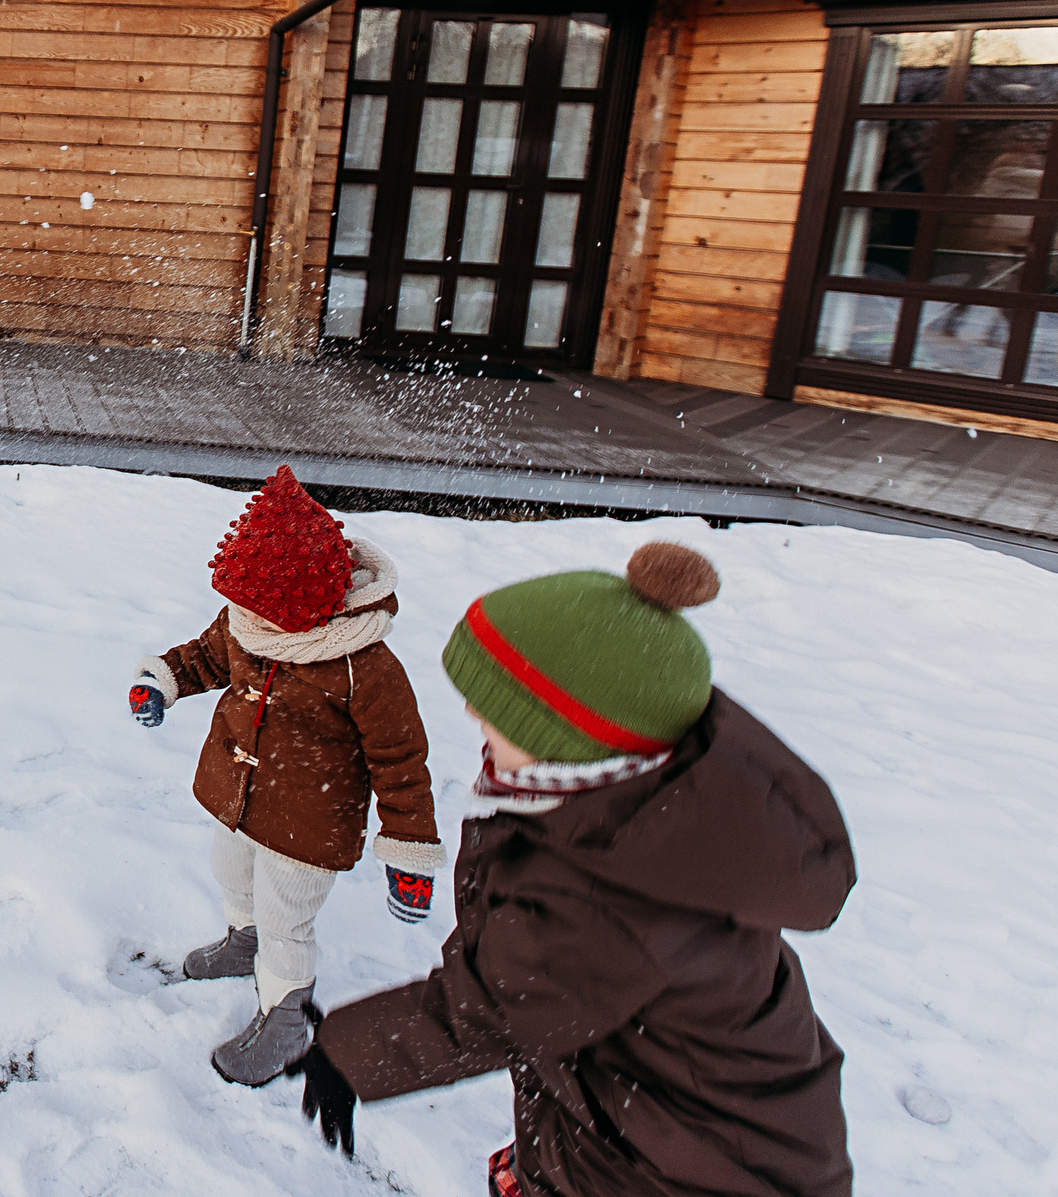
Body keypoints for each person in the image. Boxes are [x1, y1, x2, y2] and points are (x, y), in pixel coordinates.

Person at [294, 542, 857, 1197]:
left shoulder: (611, 898)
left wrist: (348, 1052)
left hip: (687, 1172)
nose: (474, 715)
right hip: (651, 1112)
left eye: (496, 709)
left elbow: (490, 1007)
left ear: (574, 738)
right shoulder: (633, 805)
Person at [127, 466, 445, 1086]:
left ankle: (286, 1017)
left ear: (299, 611)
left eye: (252, 609)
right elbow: (205, 656)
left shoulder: (364, 666)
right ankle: (241, 940)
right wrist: (161, 680)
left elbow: (401, 762)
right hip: (241, 798)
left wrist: (409, 852)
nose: (238, 617)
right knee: (231, 872)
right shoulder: (251, 619)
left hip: (309, 825)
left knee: (286, 921)